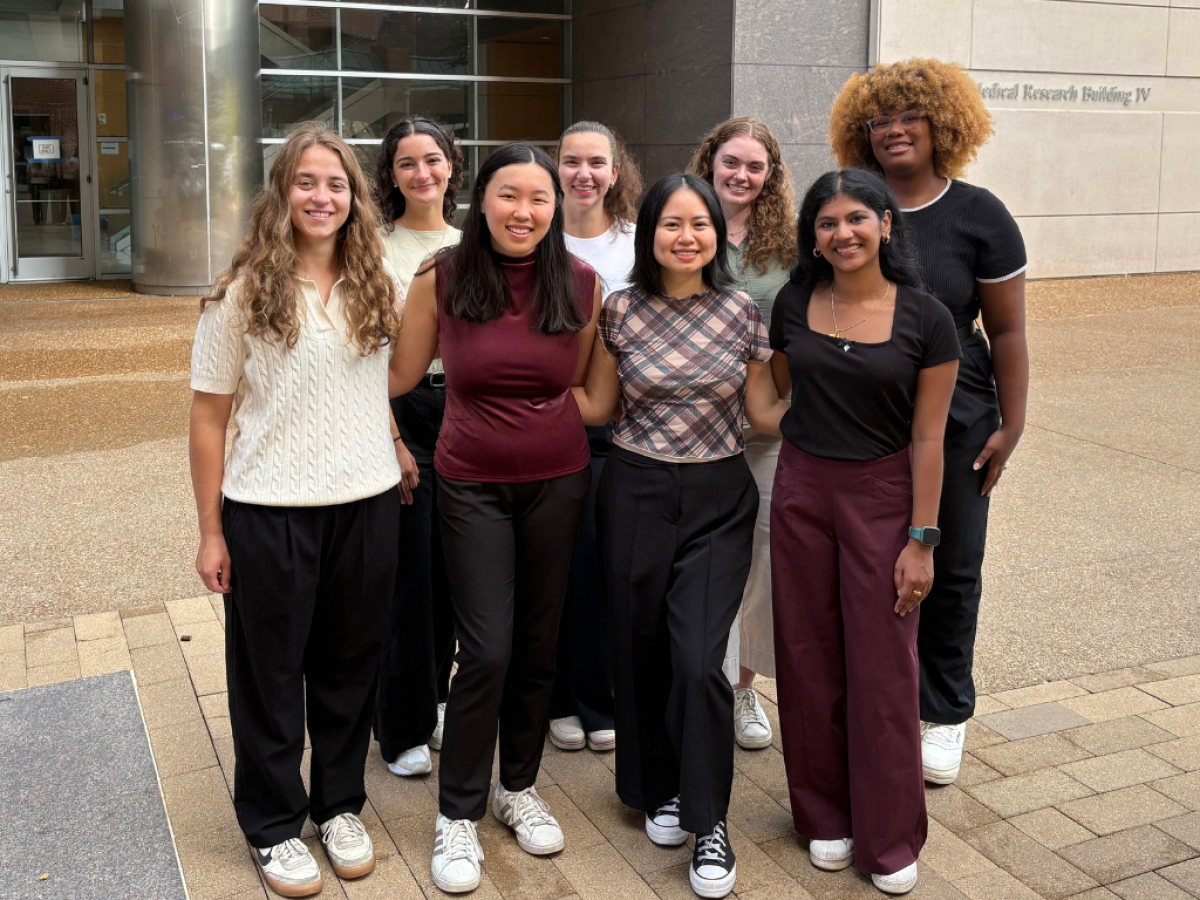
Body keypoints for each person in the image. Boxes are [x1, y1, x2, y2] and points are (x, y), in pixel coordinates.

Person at [189, 121, 403, 897]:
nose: (322, 196)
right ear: (282, 193)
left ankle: (339, 803)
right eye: (307, 182)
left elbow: (374, 389)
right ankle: (275, 824)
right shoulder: (240, 293)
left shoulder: (379, 283)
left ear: (355, 198)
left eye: (337, 183)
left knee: (349, 670)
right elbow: (209, 417)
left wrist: (397, 448)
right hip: (269, 509)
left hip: (368, 505)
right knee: (270, 677)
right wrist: (211, 529)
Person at [388, 141, 601, 894]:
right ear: (482, 202)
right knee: (486, 649)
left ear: (556, 208)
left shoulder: (580, 283)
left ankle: (518, 787)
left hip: (559, 481)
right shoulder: (441, 278)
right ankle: (458, 813)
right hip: (471, 481)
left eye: (539, 199)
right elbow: (395, 377)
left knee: (538, 645)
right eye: (510, 195)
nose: (525, 211)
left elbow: (576, 383)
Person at [747, 168, 960, 895]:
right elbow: (783, 390)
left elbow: (930, 438)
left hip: (883, 495)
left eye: (856, 219)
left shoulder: (927, 318)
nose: (842, 233)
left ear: (884, 225)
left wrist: (922, 539)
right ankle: (822, 814)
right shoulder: (797, 303)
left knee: (883, 665)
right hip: (803, 489)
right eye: (827, 222)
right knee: (806, 656)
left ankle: (890, 834)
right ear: (813, 235)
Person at [574, 173, 777, 900]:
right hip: (633, 490)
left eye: (700, 224)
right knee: (642, 650)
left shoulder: (740, 310)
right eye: (671, 224)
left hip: (721, 498)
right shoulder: (620, 310)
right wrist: (508, 385)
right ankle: (656, 788)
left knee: (697, 661)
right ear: (649, 233)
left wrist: (839, 383)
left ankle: (709, 820)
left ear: (716, 235)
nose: (686, 236)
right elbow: (597, 404)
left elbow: (762, 414)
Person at [830, 58, 1029, 784]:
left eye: (908, 115)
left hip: (961, 415)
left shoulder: (979, 214)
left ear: (941, 122)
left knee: (952, 561)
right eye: (879, 119)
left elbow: (1006, 331)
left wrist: (1012, 422)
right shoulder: (851, 206)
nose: (893, 130)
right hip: (868, 415)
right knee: (869, 560)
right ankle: (881, 699)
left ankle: (944, 711)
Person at [688, 117, 798, 751]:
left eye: (756, 166)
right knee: (698, 555)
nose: (742, 175)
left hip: (765, 424)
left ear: (771, 174)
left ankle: (741, 688)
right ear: (711, 160)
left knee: (762, 555)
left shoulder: (788, 243)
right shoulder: (684, 222)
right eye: (732, 161)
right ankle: (694, 677)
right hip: (691, 424)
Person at [371, 114, 465, 780]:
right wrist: (394, 440)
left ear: (452, 166)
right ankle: (399, 724)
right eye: (407, 162)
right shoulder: (374, 247)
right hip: (399, 408)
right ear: (391, 174)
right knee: (409, 577)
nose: (422, 172)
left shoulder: (474, 242)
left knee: (454, 573)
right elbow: (367, 358)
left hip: (466, 411)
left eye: (432, 159)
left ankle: (434, 697)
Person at [547, 120, 642, 754]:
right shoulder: (535, 237)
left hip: (623, 424)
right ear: (557, 169)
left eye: (596, 162)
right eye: (572, 160)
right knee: (556, 563)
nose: (584, 172)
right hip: (548, 419)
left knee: (609, 564)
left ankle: (599, 695)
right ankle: (558, 696)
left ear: (615, 171)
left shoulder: (639, 243)